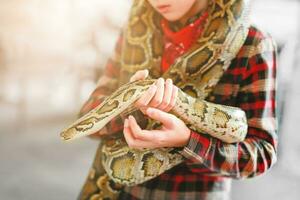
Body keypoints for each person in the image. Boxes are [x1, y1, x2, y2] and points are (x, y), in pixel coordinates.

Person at [77, 0, 278, 199]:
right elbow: (88, 117)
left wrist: (187, 141)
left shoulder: (254, 44)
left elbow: (261, 156)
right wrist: (129, 107)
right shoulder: (134, 29)